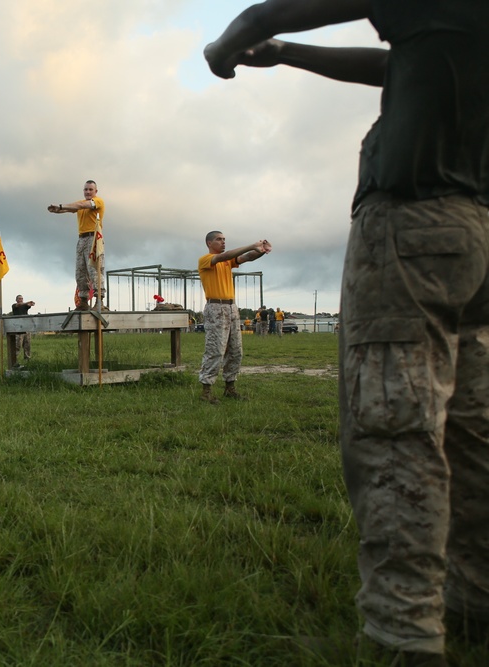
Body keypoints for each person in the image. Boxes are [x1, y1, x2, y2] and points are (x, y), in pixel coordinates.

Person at [205, 1, 489, 662]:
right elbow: (396, 66)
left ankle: (404, 631)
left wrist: (230, 47)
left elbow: (266, 12)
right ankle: (475, 594)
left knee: (396, 428)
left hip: (412, 222)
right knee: (473, 424)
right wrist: (289, 55)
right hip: (476, 229)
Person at [196, 231, 270, 404]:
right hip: (216, 307)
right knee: (215, 349)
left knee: (236, 350)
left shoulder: (227, 262)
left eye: (224, 240)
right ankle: (206, 391)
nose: (223, 242)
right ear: (209, 243)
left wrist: (261, 250)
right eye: (219, 240)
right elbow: (227, 255)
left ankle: (230, 388)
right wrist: (252, 244)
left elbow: (248, 257)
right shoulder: (205, 260)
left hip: (231, 307)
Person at [46, 180, 105, 310]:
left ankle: (99, 300)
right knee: (80, 270)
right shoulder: (80, 204)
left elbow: (79, 206)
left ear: (95, 191)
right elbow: (73, 208)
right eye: (86, 189)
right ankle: (83, 300)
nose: (88, 192)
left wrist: (61, 206)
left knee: (94, 269)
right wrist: (58, 210)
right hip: (82, 238)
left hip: (94, 238)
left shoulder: (98, 201)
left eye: (90, 189)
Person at [10, 295, 35, 361]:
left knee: (27, 344)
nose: (21, 300)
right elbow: (19, 305)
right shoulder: (14, 305)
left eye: (22, 298)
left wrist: (30, 303)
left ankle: (27, 358)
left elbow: (31, 305)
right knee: (17, 345)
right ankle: (14, 360)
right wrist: (27, 303)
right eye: (19, 298)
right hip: (18, 328)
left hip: (26, 327)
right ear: (17, 300)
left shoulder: (25, 306)